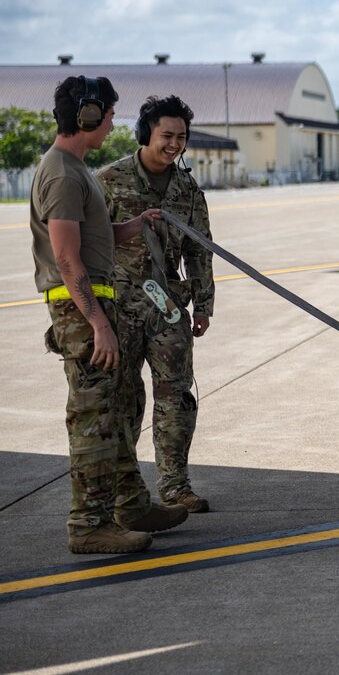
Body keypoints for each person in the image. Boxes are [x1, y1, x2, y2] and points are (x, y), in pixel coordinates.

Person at [31, 75, 189, 554]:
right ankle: (88, 524)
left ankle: (131, 506)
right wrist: (99, 323)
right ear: (88, 115)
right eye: (110, 115)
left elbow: (91, 238)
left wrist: (134, 225)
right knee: (94, 418)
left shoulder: (76, 170)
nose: (114, 124)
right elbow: (66, 258)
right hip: (83, 310)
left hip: (97, 305)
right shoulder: (62, 174)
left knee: (115, 410)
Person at [98, 95, 214, 514]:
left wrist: (203, 304)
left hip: (167, 308)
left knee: (176, 396)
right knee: (123, 398)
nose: (174, 144)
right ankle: (124, 492)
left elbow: (200, 250)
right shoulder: (109, 181)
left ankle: (175, 486)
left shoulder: (188, 189)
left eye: (181, 137)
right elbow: (87, 243)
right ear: (146, 133)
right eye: (167, 135)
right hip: (120, 307)